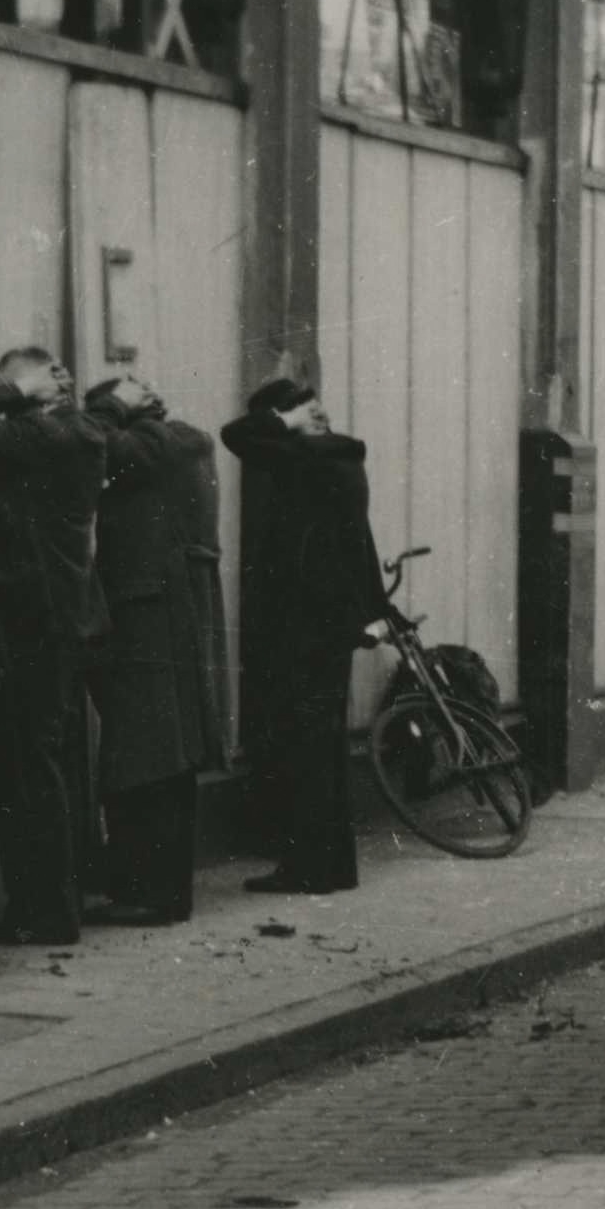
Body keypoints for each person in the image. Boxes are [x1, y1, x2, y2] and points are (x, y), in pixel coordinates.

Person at [0, 346, 111, 945]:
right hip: (63, 614)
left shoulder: (51, 435)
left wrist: (15, 393)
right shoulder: (76, 432)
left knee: (32, 766)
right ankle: (47, 906)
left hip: (37, 618)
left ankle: (45, 912)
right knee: (49, 760)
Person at [222, 375, 388, 896]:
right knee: (321, 745)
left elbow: (237, 435)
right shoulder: (339, 458)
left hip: (306, 627)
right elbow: (362, 540)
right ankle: (331, 866)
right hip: (330, 626)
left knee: (305, 747)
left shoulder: (312, 456)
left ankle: (310, 868)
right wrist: (373, 609)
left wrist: (285, 417)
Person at [85, 375, 231, 924]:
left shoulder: (155, 443)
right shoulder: (179, 441)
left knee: (149, 753)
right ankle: (146, 888)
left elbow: (98, 444)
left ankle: (154, 894)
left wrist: (105, 407)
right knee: (154, 754)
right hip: (165, 616)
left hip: (149, 618)